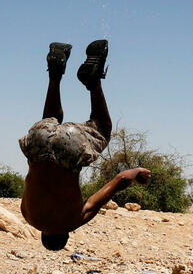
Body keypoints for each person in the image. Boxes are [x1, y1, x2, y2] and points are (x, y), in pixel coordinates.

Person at [20, 40, 151, 250]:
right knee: (50, 124)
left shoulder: (74, 221)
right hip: (37, 143)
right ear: (43, 234)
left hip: (70, 153)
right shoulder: (28, 216)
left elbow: (120, 179)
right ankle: (55, 73)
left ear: (66, 236)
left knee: (102, 129)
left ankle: (94, 81)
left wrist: (137, 172)